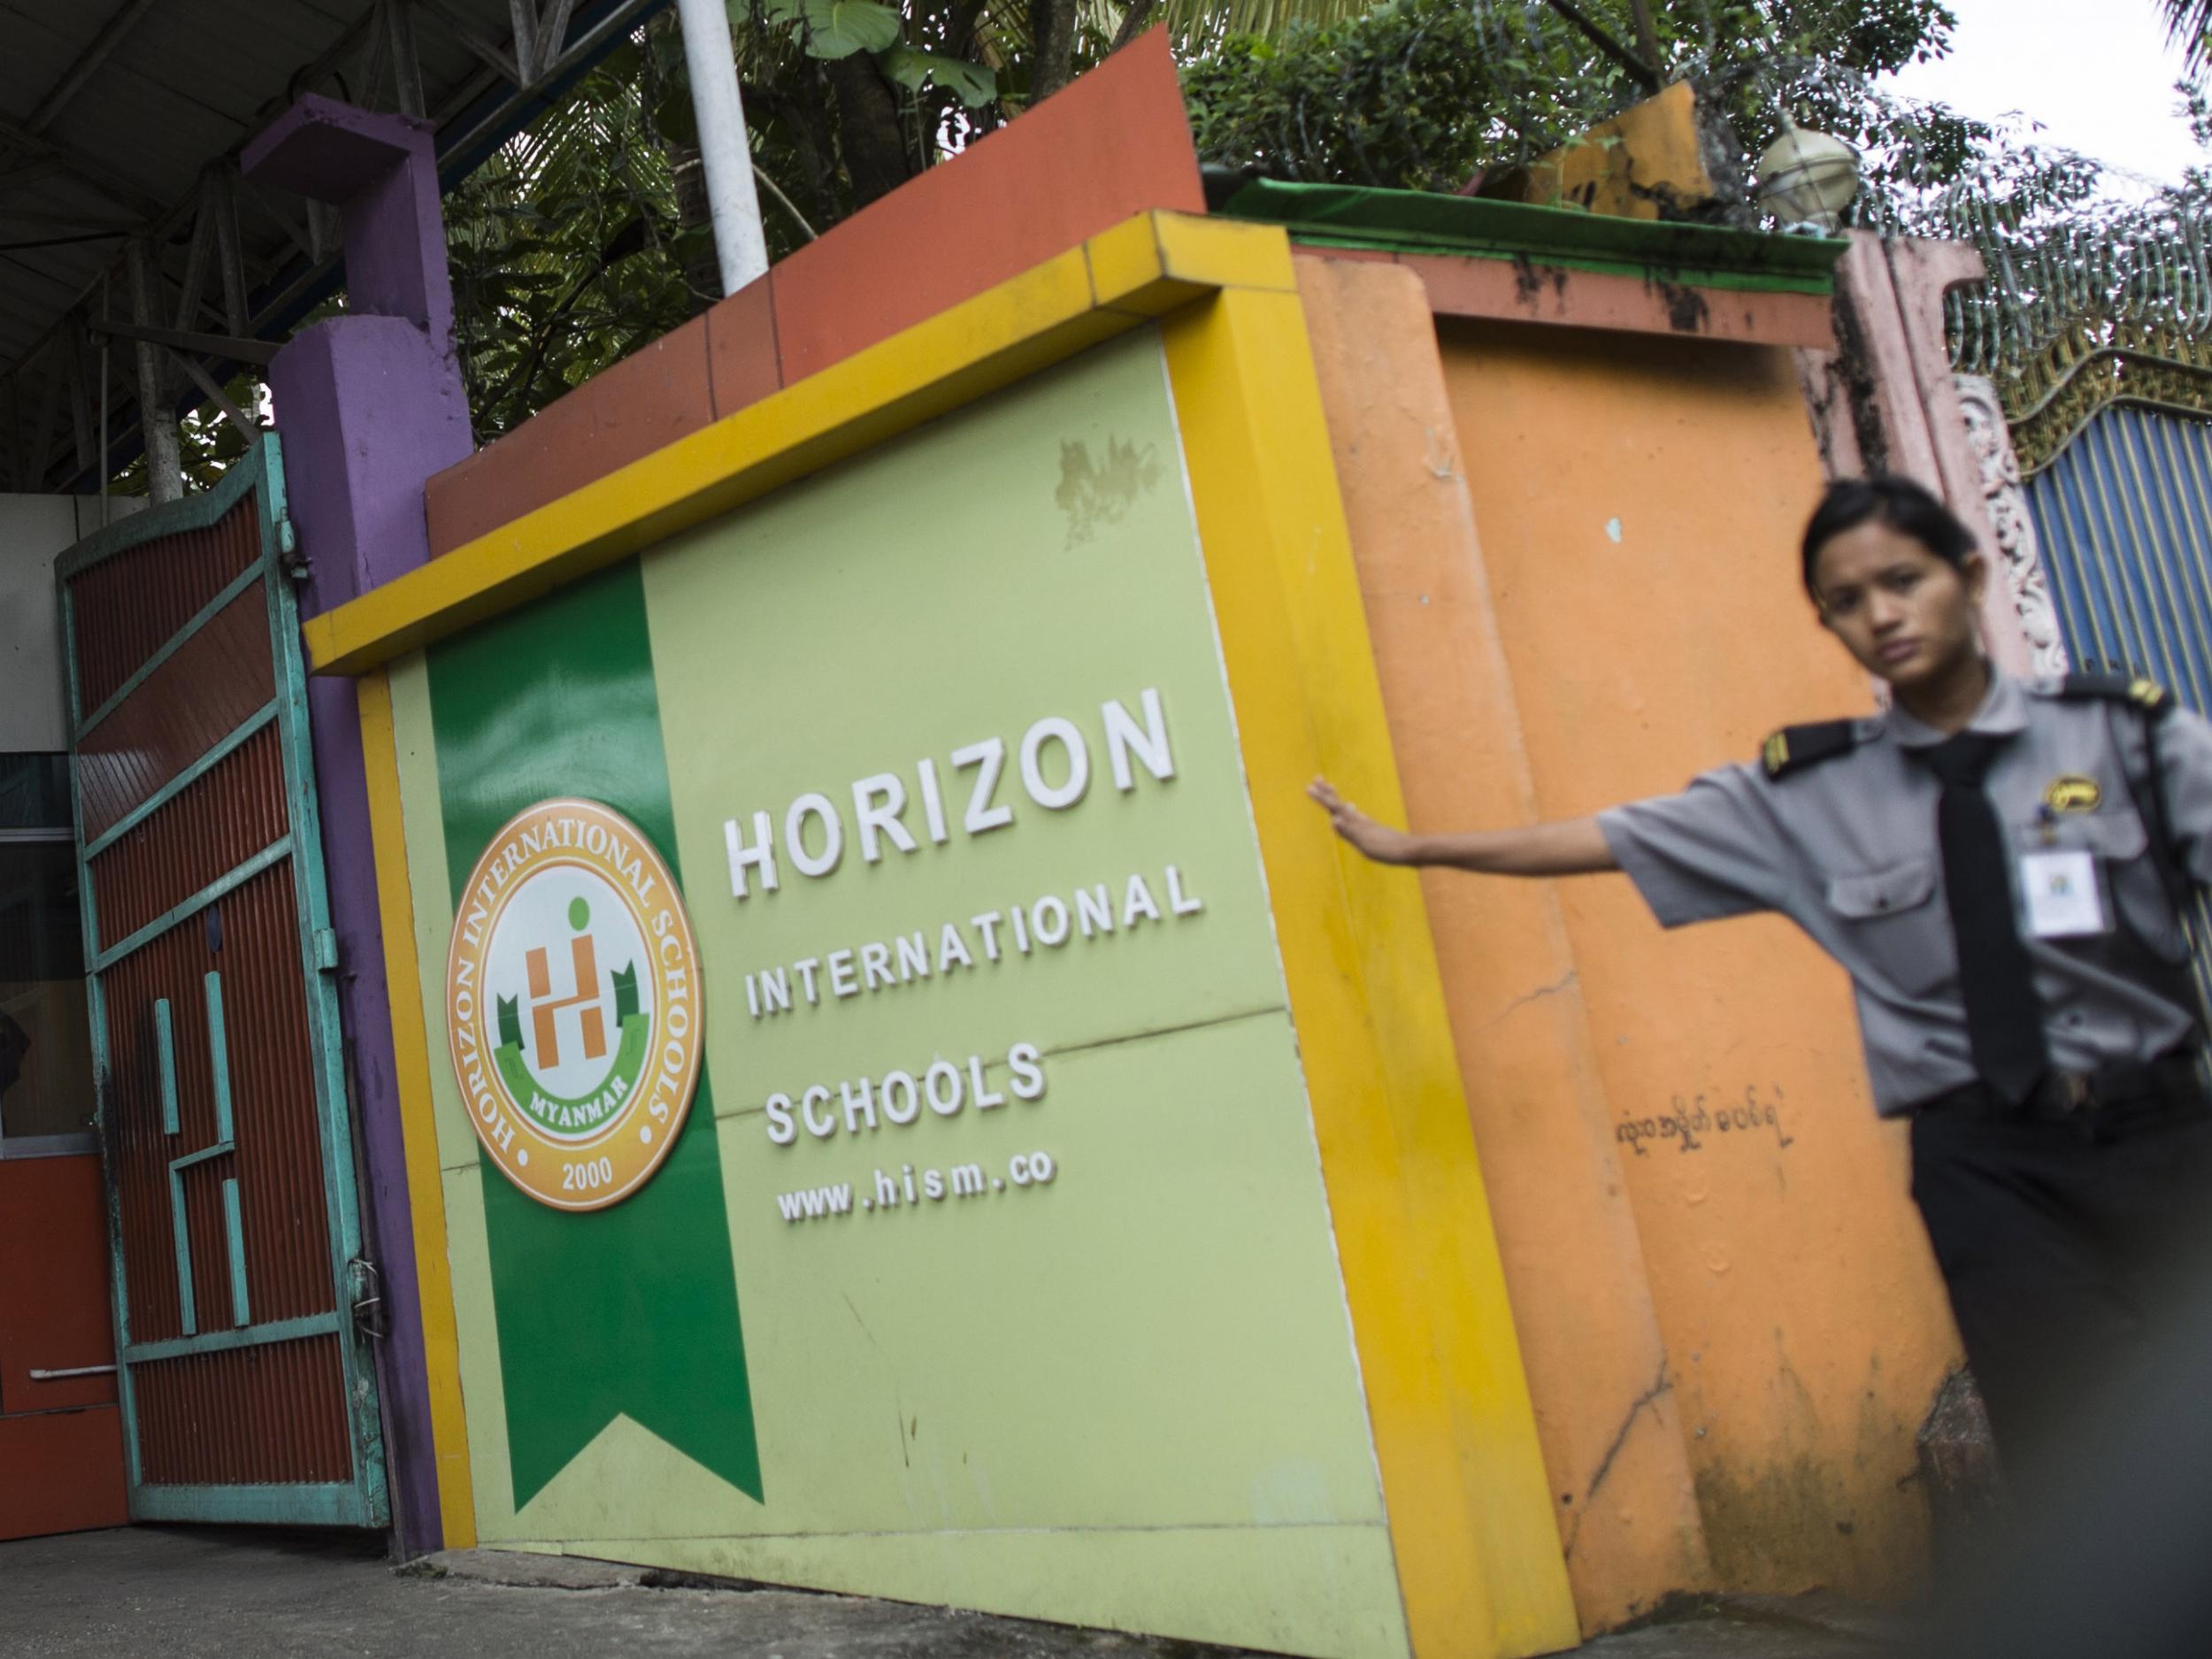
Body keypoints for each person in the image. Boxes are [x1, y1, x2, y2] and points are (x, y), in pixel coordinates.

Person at [1309, 472, 2212, 1474]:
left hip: (2165, 1134)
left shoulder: (2120, 733)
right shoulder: (1804, 795)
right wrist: (1416, 849)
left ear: (1968, 571)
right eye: (1845, 602)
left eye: (1902, 581)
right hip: (1988, 1169)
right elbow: (1606, 835)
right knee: (2080, 1458)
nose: (1881, 615)